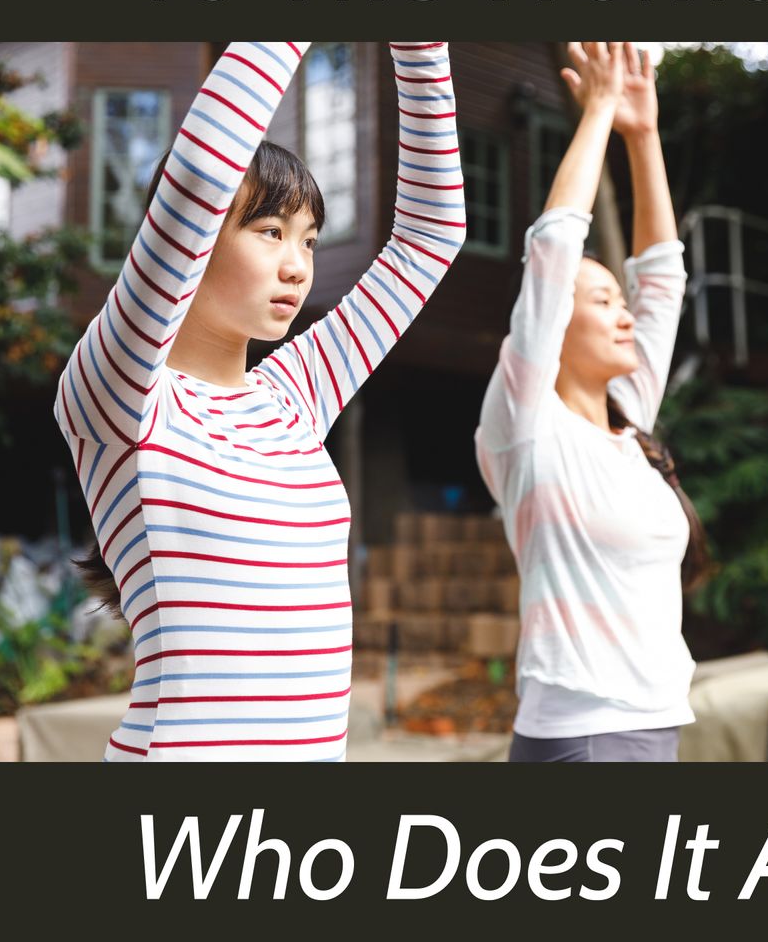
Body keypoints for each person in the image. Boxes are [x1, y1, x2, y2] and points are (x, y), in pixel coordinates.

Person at [55, 41, 465, 761]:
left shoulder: (294, 397)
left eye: (309, 240)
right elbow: (200, 175)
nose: (297, 266)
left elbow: (430, 237)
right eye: (270, 232)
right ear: (193, 242)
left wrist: (421, 44)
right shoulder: (119, 394)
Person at [475, 41, 708, 762]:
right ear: (555, 324)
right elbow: (552, 250)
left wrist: (643, 136)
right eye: (603, 300)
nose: (625, 314)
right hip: (587, 736)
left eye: (620, 301)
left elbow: (662, 281)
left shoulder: (629, 421)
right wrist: (599, 111)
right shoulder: (525, 425)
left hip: (650, 726)